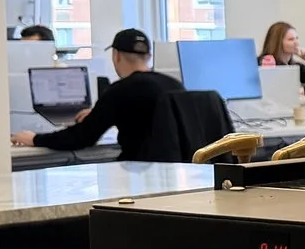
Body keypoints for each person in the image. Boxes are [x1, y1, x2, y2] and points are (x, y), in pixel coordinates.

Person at [12, 27, 184, 158]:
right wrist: (103, 114)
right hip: (178, 172)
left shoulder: (121, 90)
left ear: (116, 55)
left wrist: (35, 139)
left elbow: (81, 137)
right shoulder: (173, 84)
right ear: (148, 56)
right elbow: (151, 123)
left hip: (140, 173)